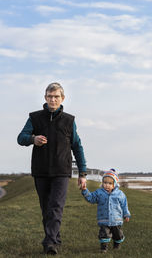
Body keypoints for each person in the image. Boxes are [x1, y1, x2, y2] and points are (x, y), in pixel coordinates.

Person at [17, 82, 87, 255]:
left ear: (62, 98)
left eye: (56, 96)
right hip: (40, 171)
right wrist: (33, 139)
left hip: (62, 171)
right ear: (45, 98)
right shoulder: (35, 118)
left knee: (56, 206)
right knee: (46, 208)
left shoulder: (69, 121)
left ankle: (49, 243)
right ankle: (55, 238)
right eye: (50, 96)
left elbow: (77, 146)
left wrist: (82, 173)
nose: (53, 99)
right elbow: (21, 138)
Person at [81, 169, 131, 253]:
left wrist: (126, 214)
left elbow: (124, 205)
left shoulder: (120, 194)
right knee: (104, 234)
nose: (106, 185)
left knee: (118, 235)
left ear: (114, 184)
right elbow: (91, 198)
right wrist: (85, 190)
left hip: (116, 220)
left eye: (110, 183)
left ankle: (116, 244)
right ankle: (104, 247)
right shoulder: (99, 192)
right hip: (104, 219)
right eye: (105, 183)